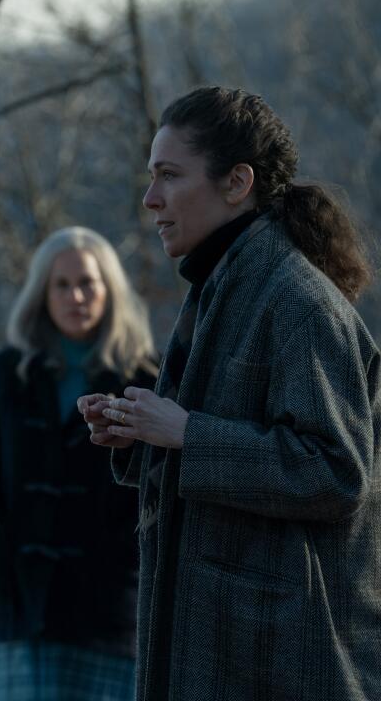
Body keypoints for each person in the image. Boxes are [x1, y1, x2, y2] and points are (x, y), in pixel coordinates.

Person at [81, 86, 379, 700]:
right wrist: (139, 434)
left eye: (169, 175)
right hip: (230, 661)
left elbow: (337, 471)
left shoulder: (297, 301)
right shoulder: (221, 287)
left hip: (286, 668)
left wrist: (185, 432)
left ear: (237, 182)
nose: (150, 198)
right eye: (150, 176)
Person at [0, 226, 157, 701]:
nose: (76, 296)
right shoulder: (12, 371)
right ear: (42, 293)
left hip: (109, 610)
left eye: (88, 283)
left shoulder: (146, 376)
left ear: (110, 290)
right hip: (21, 601)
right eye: (61, 285)